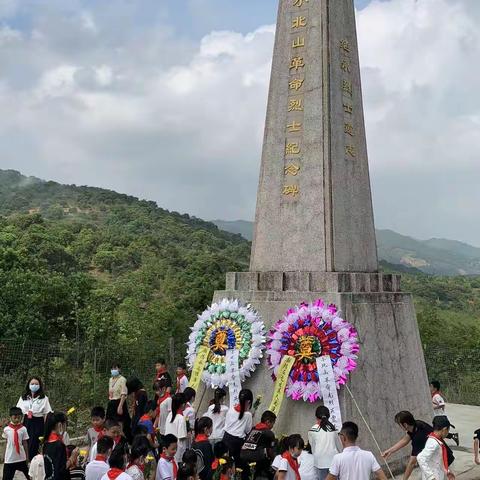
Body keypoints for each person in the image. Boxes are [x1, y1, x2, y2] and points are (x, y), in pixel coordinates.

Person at [382, 411, 433, 480]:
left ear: (405, 425)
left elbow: (412, 462)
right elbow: (405, 440)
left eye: (399, 424)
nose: (399, 426)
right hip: (434, 460)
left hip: (439, 462)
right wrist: (390, 451)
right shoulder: (416, 425)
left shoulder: (418, 437)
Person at [17, 376, 53, 459]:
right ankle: (25, 460)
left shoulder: (44, 398)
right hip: (26, 421)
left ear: (40, 385)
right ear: (28, 385)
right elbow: (18, 410)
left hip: (38, 422)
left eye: (36, 384)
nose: (34, 385)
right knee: (26, 441)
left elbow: (47, 413)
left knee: (34, 443)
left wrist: (47, 427)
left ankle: (33, 461)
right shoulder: (23, 397)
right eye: (32, 384)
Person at [240, 410, 277, 480]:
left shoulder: (253, 429)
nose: (272, 426)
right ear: (268, 422)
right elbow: (271, 451)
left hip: (243, 458)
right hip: (256, 464)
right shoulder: (269, 433)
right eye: (273, 423)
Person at [222, 389, 253, 470]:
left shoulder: (231, 409)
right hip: (236, 443)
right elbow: (247, 431)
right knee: (235, 467)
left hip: (225, 438)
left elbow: (227, 423)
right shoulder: (248, 415)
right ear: (249, 402)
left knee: (224, 465)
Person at [308, 406, 342, 480]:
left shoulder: (312, 430)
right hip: (334, 462)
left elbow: (313, 447)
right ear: (328, 416)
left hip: (320, 462)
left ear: (316, 417)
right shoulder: (333, 429)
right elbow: (339, 447)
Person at [417, 416, 456, 480]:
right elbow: (421, 458)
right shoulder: (433, 442)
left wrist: (447, 472)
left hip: (438, 475)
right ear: (444, 429)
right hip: (434, 476)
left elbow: (439, 459)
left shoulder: (436, 440)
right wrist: (431, 477)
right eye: (448, 430)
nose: (448, 433)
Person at [2, 406, 30, 480]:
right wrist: (4, 455)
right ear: (10, 417)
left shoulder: (23, 429)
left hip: (21, 458)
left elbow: (25, 443)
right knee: (6, 477)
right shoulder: (6, 429)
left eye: (19, 415)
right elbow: (6, 443)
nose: (17, 417)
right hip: (10, 458)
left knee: (29, 476)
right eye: (15, 415)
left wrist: (27, 457)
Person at [107, 363, 131, 441]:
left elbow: (123, 393)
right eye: (112, 368)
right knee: (110, 424)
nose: (114, 370)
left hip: (119, 402)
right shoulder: (111, 379)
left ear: (119, 369)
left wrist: (120, 406)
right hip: (111, 403)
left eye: (115, 368)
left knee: (120, 425)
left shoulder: (122, 379)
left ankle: (124, 442)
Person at [43, 411, 69, 480]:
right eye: (65, 424)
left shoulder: (46, 443)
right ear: (60, 425)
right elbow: (62, 469)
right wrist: (73, 457)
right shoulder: (59, 445)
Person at [165, 394, 188, 463]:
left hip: (169, 447)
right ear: (183, 404)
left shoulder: (170, 414)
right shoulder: (181, 418)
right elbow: (182, 436)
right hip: (178, 451)